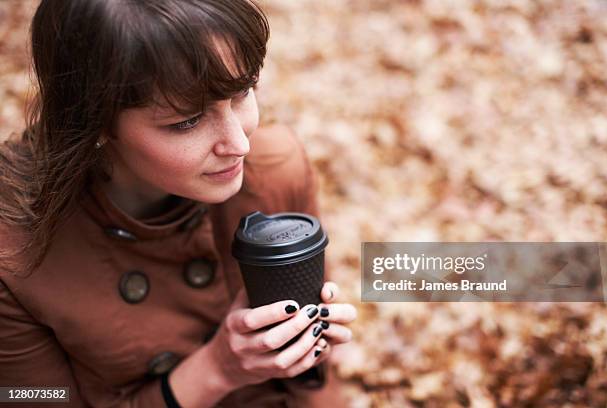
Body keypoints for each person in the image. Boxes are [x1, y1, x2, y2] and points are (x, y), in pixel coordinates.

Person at [0, 0, 357, 407]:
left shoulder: (275, 170)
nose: (239, 144)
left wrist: (313, 343)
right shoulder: (14, 257)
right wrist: (218, 369)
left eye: (242, 91)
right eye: (186, 121)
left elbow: (323, 370)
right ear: (92, 122)